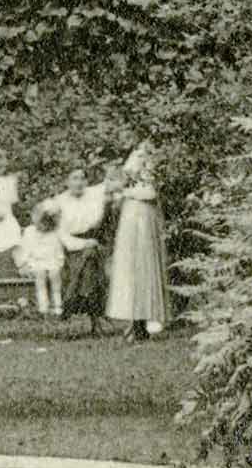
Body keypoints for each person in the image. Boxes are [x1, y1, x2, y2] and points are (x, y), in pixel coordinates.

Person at [105, 140, 172, 340]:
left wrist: (125, 191)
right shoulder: (132, 154)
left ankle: (145, 319)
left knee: (144, 264)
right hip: (130, 216)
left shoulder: (151, 157)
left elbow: (150, 192)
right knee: (129, 267)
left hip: (143, 217)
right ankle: (133, 320)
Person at [49, 168, 113, 327]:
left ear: (86, 181)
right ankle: (94, 314)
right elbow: (61, 235)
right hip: (69, 248)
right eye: (74, 178)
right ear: (67, 181)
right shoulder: (59, 202)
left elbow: (114, 182)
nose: (78, 183)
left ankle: (70, 308)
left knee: (91, 257)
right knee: (88, 259)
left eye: (82, 179)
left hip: (95, 242)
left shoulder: (93, 194)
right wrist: (84, 244)